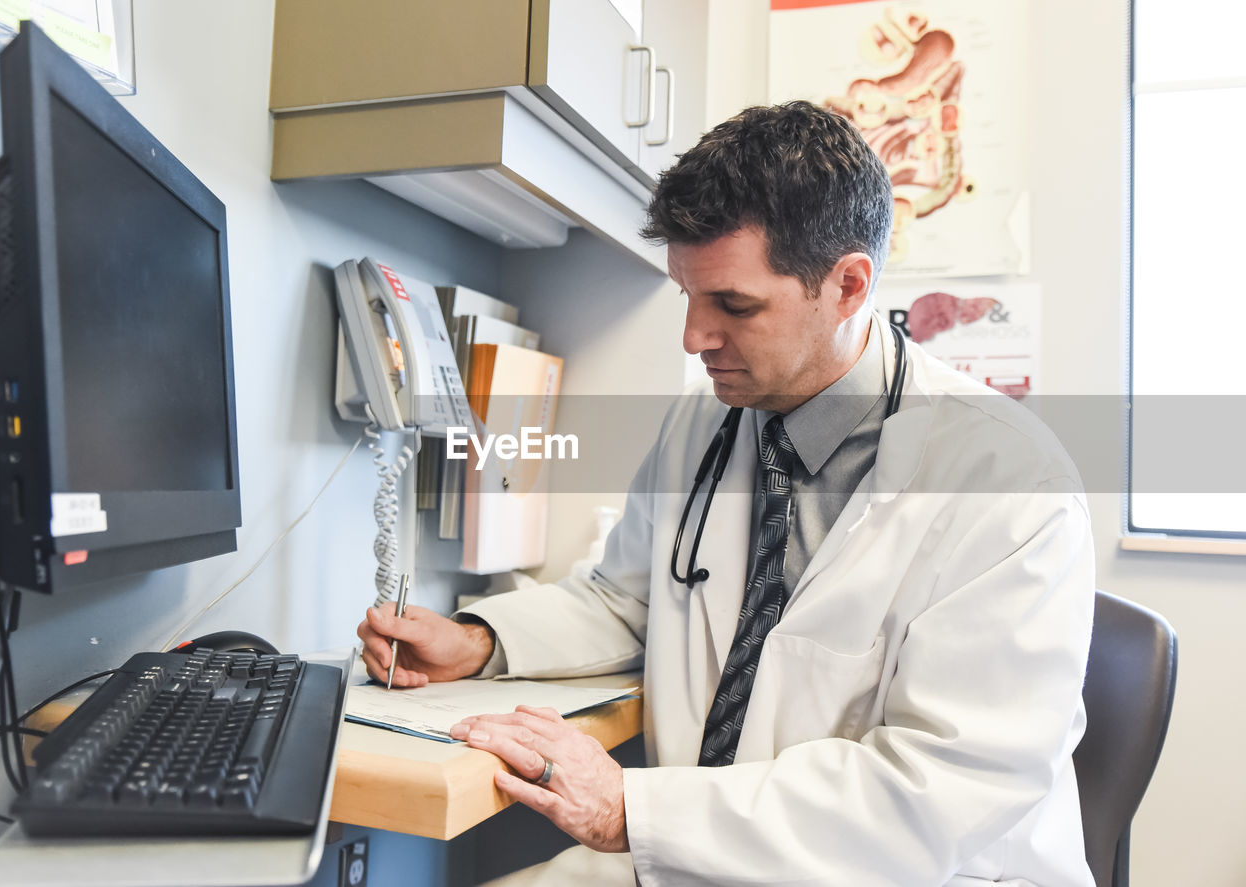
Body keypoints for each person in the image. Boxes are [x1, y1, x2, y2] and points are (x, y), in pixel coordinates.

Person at [356, 101, 1095, 887]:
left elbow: (935, 794)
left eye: (733, 306)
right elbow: (624, 599)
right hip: (702, 854)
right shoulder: (703, 421)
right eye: (688, 296)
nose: (694, 337)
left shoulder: (1008, 483)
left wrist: (628, 810)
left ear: (848, 285)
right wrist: (480, 641)